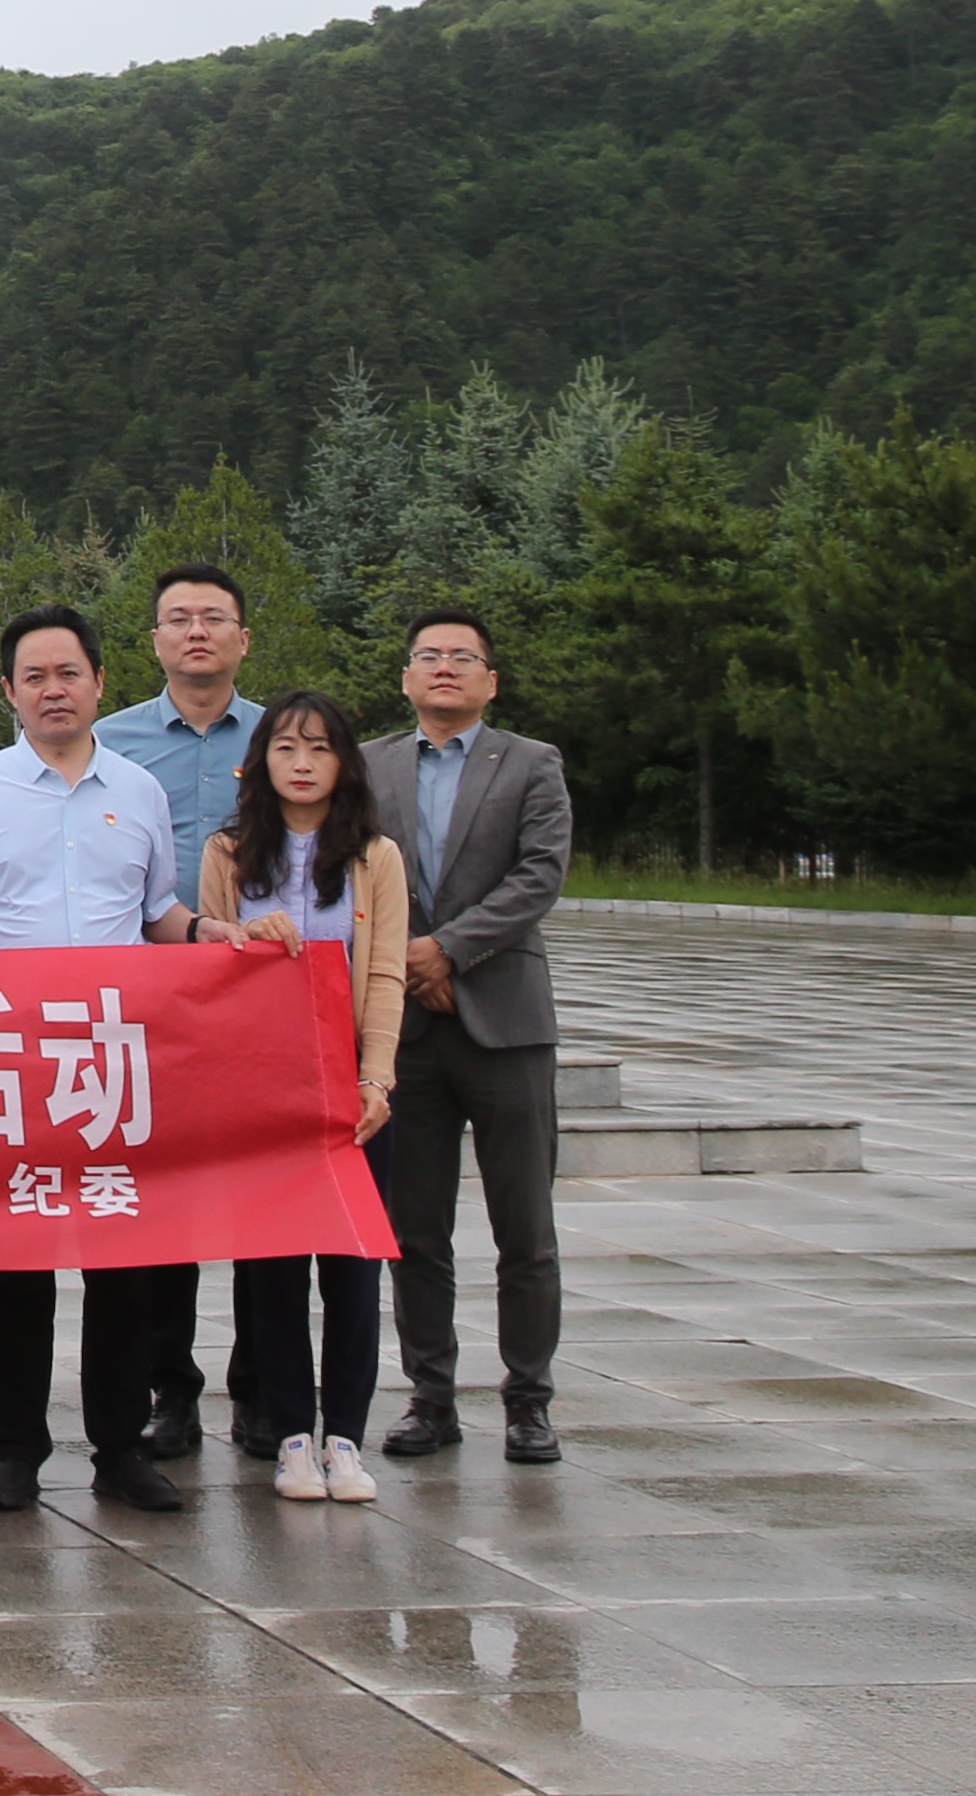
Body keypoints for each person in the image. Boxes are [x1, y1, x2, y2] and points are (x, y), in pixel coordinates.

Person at [0, 604, 227, 1516]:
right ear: (7, 691)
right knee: (14, 1265)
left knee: (121, 1267)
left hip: (109, 1057)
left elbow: (156, 912)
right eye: (34, 676)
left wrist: (212, 935)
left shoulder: (138, 789)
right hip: (9, 1058)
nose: (52, 690)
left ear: (98, 681)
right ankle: (13, 1447)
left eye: (68, 673)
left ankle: (119, 1449)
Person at [201, 692, 406, 1506]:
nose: (302, 762)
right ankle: (289, 1435)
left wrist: (375, 1077)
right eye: (286, 747)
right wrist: (240, 938)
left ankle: (344, 1437)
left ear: (343, 762)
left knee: (352, 1269)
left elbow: (384, 971)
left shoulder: (373, 856)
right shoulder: (227, 851)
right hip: (262, 1088)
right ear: (259, 761)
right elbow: (208, 965)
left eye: (319, 747)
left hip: (345, 1085)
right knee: (273, 1273)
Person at [376, 607, 569, 1467]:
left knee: (523, 1229)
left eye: (462, 656)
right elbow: (352, 871)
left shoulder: (530, 762)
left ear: (489, 680)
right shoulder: (371, 764)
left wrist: (445, 949)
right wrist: (408, 963)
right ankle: (430, 1397)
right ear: (406, 676)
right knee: (415, 1231)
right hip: (408, 1031)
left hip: (505, 1024)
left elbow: (538, 875)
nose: (444, 666)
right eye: (428, 655)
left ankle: (528, 1400)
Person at [99, 562, 261, 1460]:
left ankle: (261, 1387)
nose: (196, 632)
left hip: (258, 997)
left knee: (260, 1195)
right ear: (154, 639)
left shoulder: (283, 737)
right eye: (178, 618)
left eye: (213, 617)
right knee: (160, 1201)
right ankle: (170, 1388)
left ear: (242, 636)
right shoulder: (110, 745)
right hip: (150, 1001)